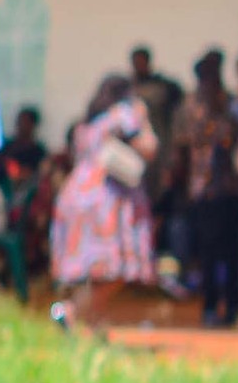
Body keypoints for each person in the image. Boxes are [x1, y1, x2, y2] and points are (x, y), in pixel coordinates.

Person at [50, 75, 159, 328]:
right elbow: (149, 147)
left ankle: (89, 322)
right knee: (115, 269)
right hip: (108, 200)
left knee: (95, 268)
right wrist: (145, 121)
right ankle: (72, 312)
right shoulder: (126, 114)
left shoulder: (90, 121)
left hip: (77, 197)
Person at [177, 53, 238, 326]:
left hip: (229, 190)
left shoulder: (226, 103)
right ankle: (210, 306)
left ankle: (232, 306)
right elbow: (186, 144)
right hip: (205, 192)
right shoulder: (193, 106)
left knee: (232, 251)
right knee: (208, 252)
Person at [0, 107, 50, 304]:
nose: (21, 126)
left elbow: (38, 177)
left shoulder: (38, 151)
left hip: (19, 209)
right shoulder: (6, 147)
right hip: (1, 202)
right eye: (19, 121)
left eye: (26, 122)